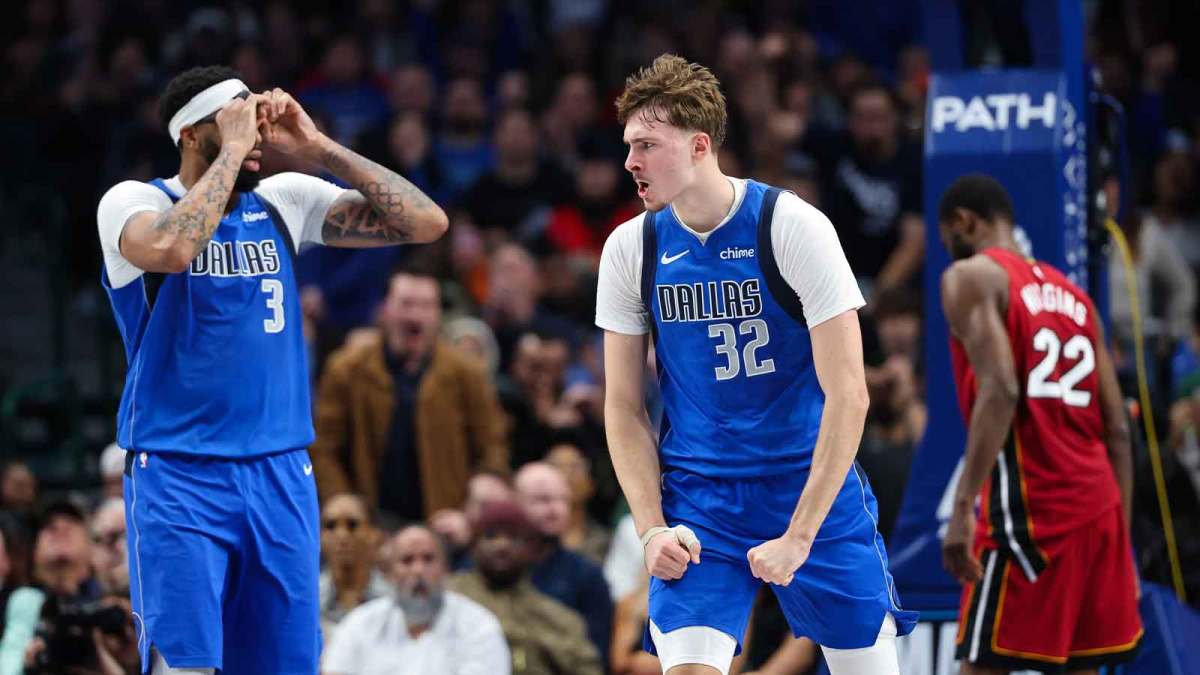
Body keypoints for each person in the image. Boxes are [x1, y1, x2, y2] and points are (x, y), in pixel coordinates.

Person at [95, 65, 448, 674]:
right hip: (179, 471)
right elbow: (172, 250)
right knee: (186, 664)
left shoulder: (285, 200)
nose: (254, 135)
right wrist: (233, 150)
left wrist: (319, 148)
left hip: (280, 468)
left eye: (254, 123)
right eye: (235, 120)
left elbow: (426, 222)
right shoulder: (134, 202)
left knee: (284, 664)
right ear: (189, 134)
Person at [596, 54, 916, 675]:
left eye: (646, 145)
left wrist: (800, 536)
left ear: (699, 146)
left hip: (808, 483)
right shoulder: (631, 247)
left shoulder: (792, 226)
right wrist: (651, 530)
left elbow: (850, 394)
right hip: (701, 496)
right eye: (628, 145)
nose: (630, 161)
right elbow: (624, 407)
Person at [937, 174, 1143, 673]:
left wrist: (963, 506)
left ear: (965, 221)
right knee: (1084, 666)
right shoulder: (1078, 299)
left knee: (981, 665)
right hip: (1101, 510)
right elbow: (1118, 430)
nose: (951, 254)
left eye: (949, 241)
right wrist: (1120, 538)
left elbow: (1001, 388)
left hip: (1033, 512)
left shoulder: (971, 277)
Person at [309, 262, 510, 523]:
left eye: (426, 305)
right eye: (406, 304)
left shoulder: (467, 373)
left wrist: (482, 489)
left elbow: (492, 444)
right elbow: (324, 447)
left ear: (438, 313)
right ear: (384, 310)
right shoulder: (346, 369)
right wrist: (340, 499)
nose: (415, 316)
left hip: (446, 522)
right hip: (370, 522)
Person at [323, 525, 510, 675]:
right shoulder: (360, 624)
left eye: (428, 559)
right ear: (389, 573)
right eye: (407, 560)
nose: (418, 570)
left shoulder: (478, 626)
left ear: (446, 568)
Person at [448, 500, 602, 675]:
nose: (502, 545)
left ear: (531, 548)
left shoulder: (557, 617)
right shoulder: (450, 597)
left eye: (513, 537)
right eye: (491, 536)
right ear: (474, 545)